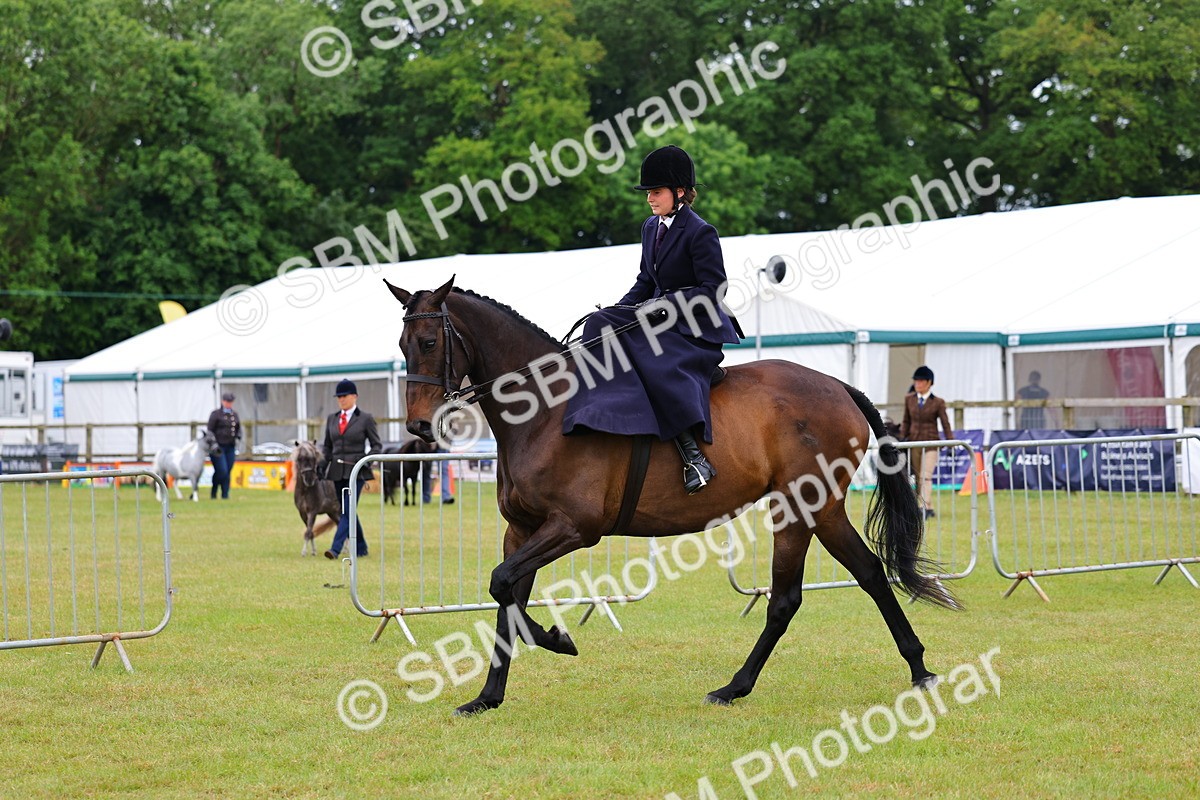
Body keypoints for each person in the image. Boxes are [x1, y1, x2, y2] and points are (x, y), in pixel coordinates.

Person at [562, 145, 741, 494]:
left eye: (655, 192)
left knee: (651, 358)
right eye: (647, 192)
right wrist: (618, 310)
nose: (649, 199)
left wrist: (667, 304)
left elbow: (714, 288)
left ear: (678, 192)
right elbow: (646, 281)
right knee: (598, 326)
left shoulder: (700, 231)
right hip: (660, 318)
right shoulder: (650, 227)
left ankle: (694, 456)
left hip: (695, 328)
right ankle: (607, 416)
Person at [322, 379, 381, 559]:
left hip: (357, 472)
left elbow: (376, 446)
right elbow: (327, 447)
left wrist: (364, 462)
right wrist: (321, 467)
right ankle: (361, 547)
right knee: (348, 510)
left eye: (344, 396)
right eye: (339, 397)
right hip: (337, 472)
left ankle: (335, 548)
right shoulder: (332, 419)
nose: (341, 399)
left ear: (354, 396)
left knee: (347, 510)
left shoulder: (365, 419)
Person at [899, 366, 954, 519]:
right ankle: (927, 506)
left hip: (931, 443)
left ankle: (924, 506)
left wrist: (951, 443)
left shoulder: (938, 402)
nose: (917, 383)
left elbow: (945, 424)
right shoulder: (909, 399)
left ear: (929, 382)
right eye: (916, 380)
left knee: (926, 475)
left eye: (921, 380)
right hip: (914, 442)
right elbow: (906, 421)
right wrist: (901, 440)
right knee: (917, 477)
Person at [206, 392, 241, 500]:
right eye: (227, 401)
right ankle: (214, 490)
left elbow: (238, 429)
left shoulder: (234, 415)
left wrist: (238, 437)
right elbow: (210, 431)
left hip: (230, 446)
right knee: (222, 470)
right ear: (223, 401)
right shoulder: (216, 414)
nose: (229, 404)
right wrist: (214, 444)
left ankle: (225, 494)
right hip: (218, 448)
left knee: (228, 470)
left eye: (230, 402)